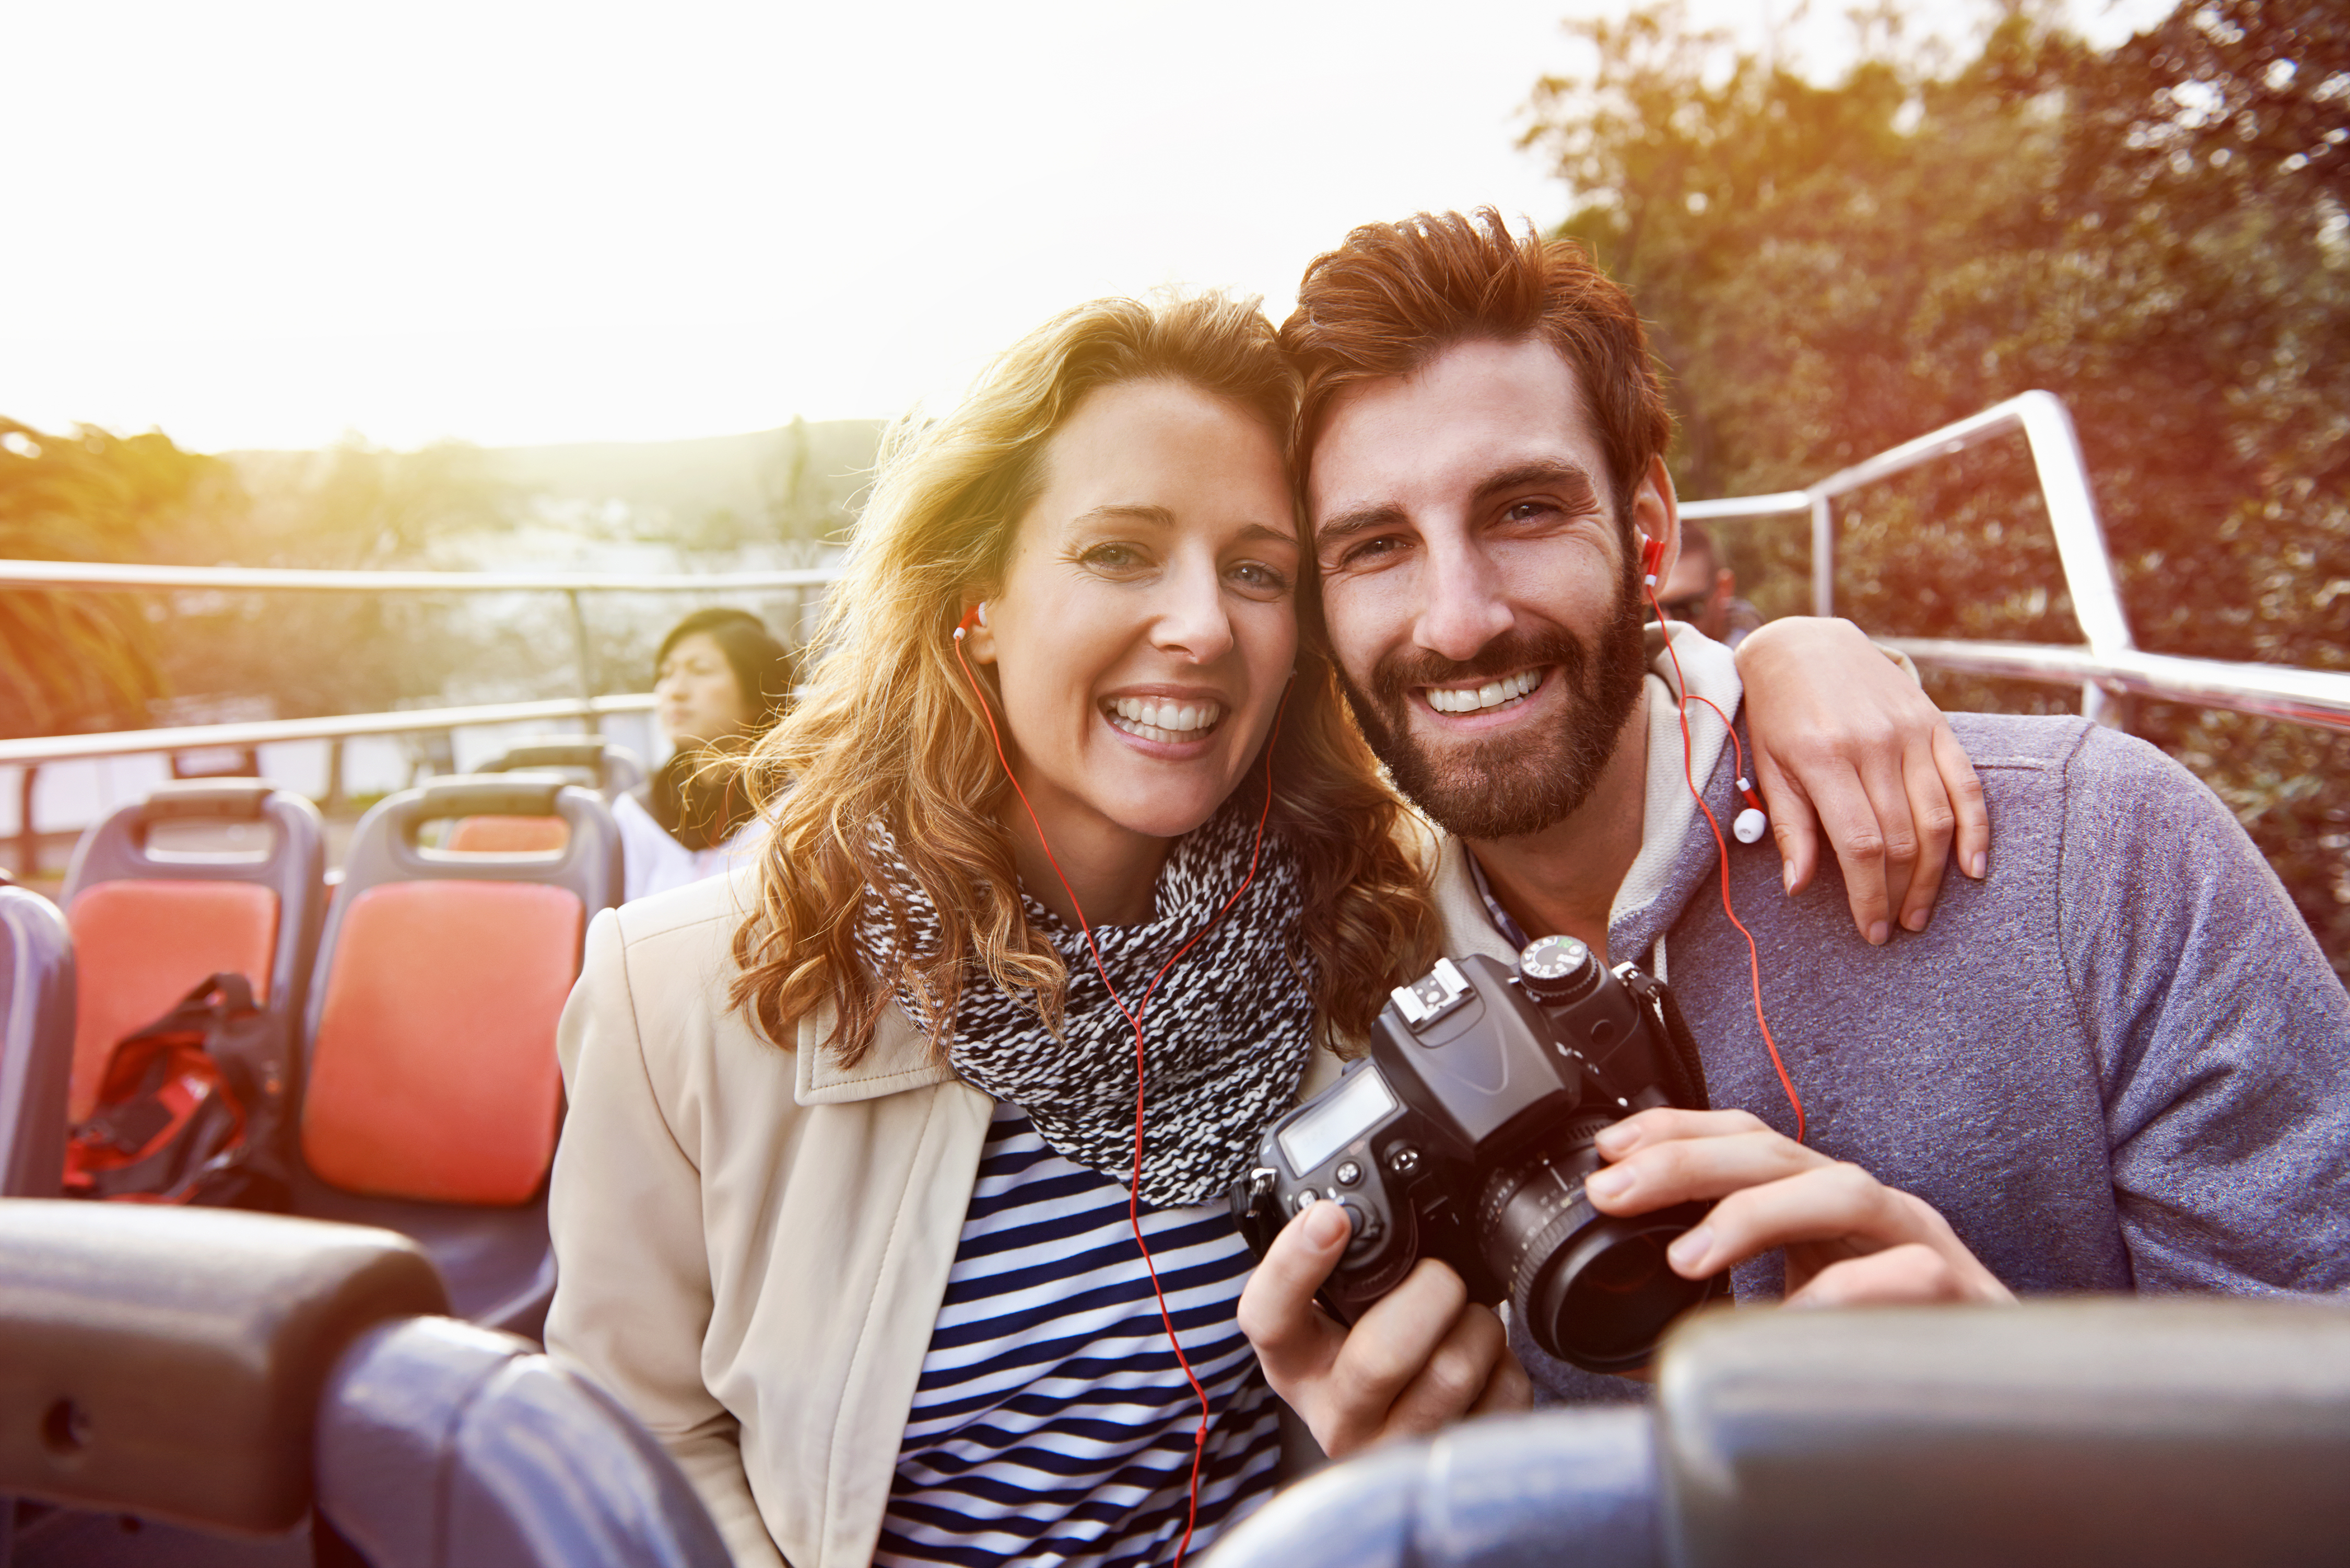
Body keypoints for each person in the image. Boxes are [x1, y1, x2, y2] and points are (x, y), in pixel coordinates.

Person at [545, 292, 1989, 1568]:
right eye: (1120, 552)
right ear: (975, 597)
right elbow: (631, 1446)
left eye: (1256, 570)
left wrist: (1792, 658)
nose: (1200, 626)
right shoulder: (681, 993)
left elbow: (1576, 716)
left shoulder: (1368, 917)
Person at [1239, 209, 2350, 1440]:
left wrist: (2042, 1429)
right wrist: (1412, 1495)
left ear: (1648, 532)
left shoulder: (2095, 853)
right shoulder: (1336, 1000)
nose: (1457, 620)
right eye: (1376, 546)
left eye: (1523, 511)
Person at [613, 608, 796, 901]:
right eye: (666, 674)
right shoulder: (637, 814)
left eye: (700, 670)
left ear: (758, 690)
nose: (675, 691)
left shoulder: (796, 807)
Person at [1658, 521, 1762, 646]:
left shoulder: (1765, 653)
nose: (1663, 625)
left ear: (1724, 590)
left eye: (1683, 609)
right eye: (1649, 612)